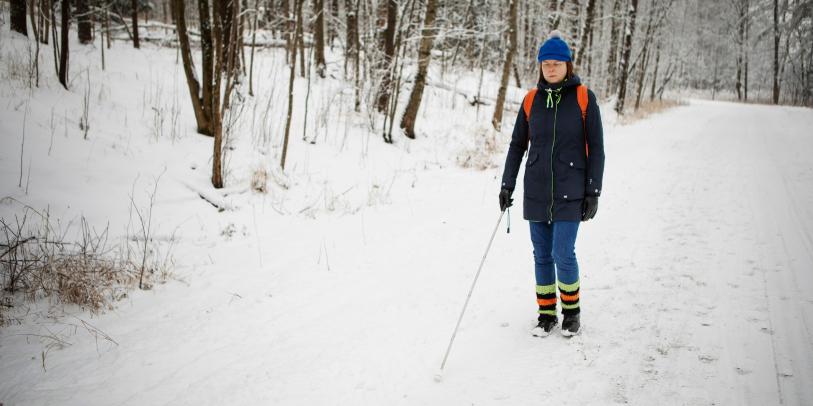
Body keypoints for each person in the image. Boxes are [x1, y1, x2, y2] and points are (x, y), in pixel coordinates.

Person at [499, 31, 605, 337]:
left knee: (562, 252)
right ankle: (546, 314)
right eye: (546, 63)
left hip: (571, 190)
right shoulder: (531, 100)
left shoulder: (584, 98)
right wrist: (507, 184)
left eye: (557, 63)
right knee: (541, 254)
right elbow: (517, 144)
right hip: (537, 190)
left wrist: (593, 190)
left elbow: (596, 148)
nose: (551, 68)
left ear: (568, 65)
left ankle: (571, 312)